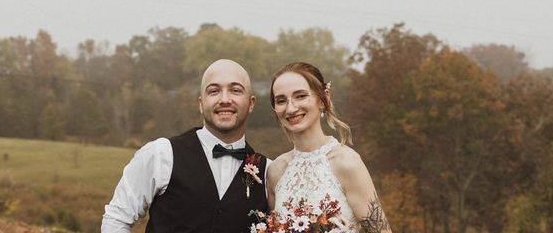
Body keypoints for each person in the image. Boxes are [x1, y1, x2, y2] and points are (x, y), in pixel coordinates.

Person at [101, 59, 268, 233]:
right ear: (201, 103)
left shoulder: (269, 173)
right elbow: (116, 220)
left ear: (251, 103)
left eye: (235, 90)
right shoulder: (161, 154)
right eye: (214, 91)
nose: (224, 99)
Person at [266, 62, 392, 233]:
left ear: (323, 98)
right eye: (281, 101)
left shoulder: (347, 162)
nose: (291, 108)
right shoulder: (275, 171)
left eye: (301, 96)